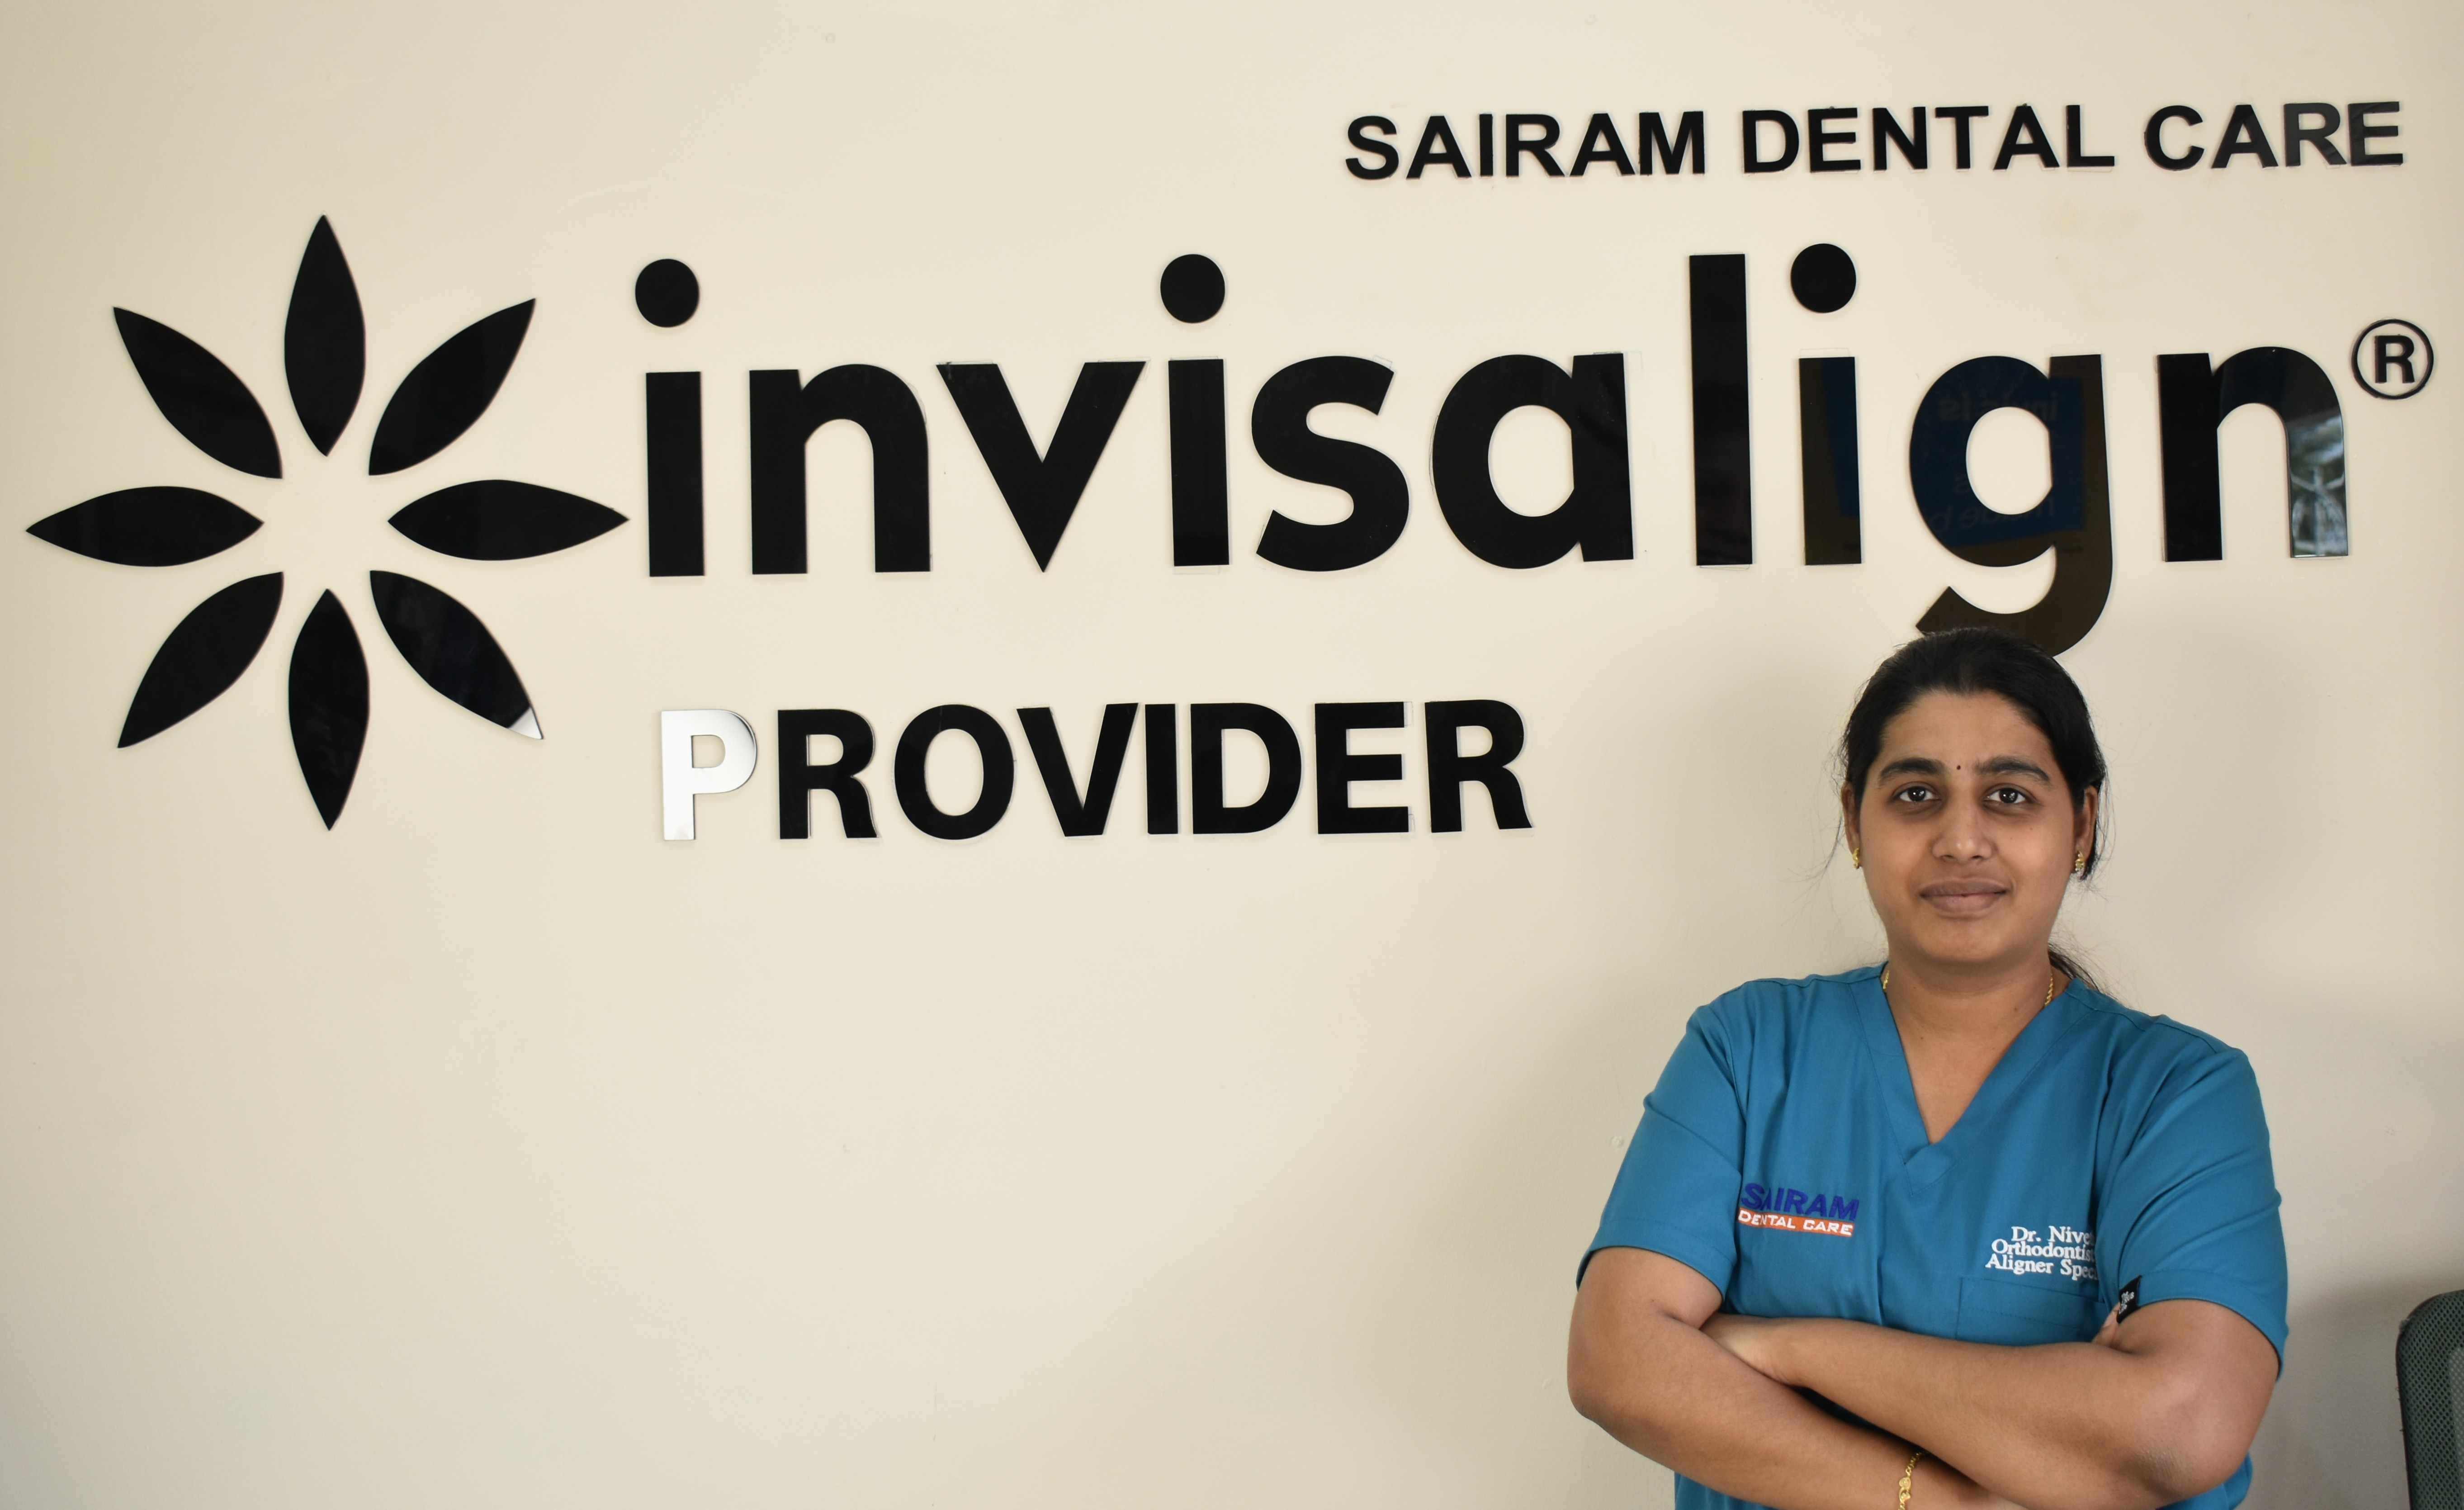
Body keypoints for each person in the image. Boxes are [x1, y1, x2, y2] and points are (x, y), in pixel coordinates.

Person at [1567, 628, 2285, 1510]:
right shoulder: (1746, 1049)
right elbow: (1617, 1362)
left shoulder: (2177, 1093)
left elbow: (2177, 1430)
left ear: (2081, 824)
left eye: (2009, 795)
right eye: (1915, 794)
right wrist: (1944, 1501)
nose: (1960, 839)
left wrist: (1790, 1346)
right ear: (1853, 821)